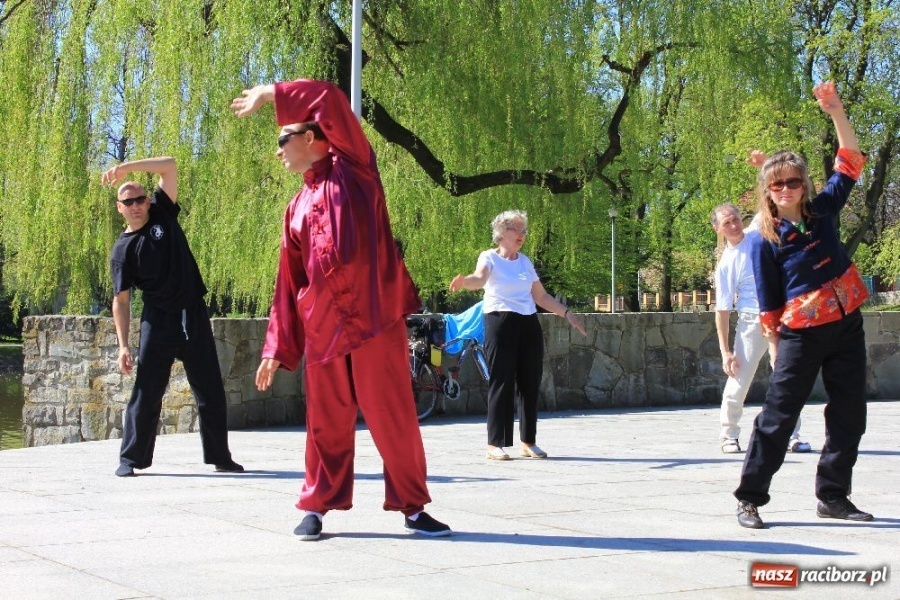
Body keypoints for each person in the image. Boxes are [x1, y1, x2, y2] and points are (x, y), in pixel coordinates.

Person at [230, 79, 450, 540]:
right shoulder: (295, 207)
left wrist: (271, 93)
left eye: (281, 140)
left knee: (394, 416)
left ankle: (413, 507)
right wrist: (276, 346)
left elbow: (329, 97)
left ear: (310, 138)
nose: (278, 152)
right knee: (325, 424)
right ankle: (316, 506)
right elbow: (289, 284)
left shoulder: (356, 169)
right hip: (324, 329)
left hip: (373, 320)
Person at [734, 82, 873, 528]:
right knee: (779, 415)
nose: (787, 189)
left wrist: (836, 111)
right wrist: (775, 347)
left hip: (846, 322)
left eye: (794, 181)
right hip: (800, 332)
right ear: (768, 190)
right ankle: (750, 497)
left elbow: (849, 162)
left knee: (850, 412)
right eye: (778, 184)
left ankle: (833, 496)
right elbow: (769, 302)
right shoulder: (763, 241)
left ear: (804, 183)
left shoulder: (823, 210)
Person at [103, 157, 243, 477]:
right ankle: (131, 459)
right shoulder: (122, 251)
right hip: (158, 320)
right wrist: (123, 345)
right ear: (119, 207)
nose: (136, 205)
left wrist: (125, 169)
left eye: (140, 199)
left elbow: (169, 166)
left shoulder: (163, 214)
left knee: (210, 390)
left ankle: (220, 457)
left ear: (148, 201)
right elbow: (121, 301)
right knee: (147, 392)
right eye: (129, 201)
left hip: (193, 313)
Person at [449, 210, 586, 461]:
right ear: (501, 233)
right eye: (516, 230)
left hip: (528, 322)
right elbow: (479, 279)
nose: (522, 235)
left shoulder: (525, 262)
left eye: (524, 230)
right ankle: (495, 443)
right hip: (500, 321)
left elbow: (541, 297)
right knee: (502, 380)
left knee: (530, 381)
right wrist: (464, 281)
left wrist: (567, 313)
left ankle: (528, 441)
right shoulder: (489, 257)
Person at [711, 203, 810, 454]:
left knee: (787, 376)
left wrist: (763, 165)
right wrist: (725, 352)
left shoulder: (757, 232)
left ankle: (792, 435)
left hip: (781, 315)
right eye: (726, 223)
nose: (733, 226)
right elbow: (722, 311)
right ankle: (728, 434)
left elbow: (771, 199)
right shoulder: (726, 263)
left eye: (735, 219)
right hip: (752, 322)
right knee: (740, 377)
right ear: (717, 229)